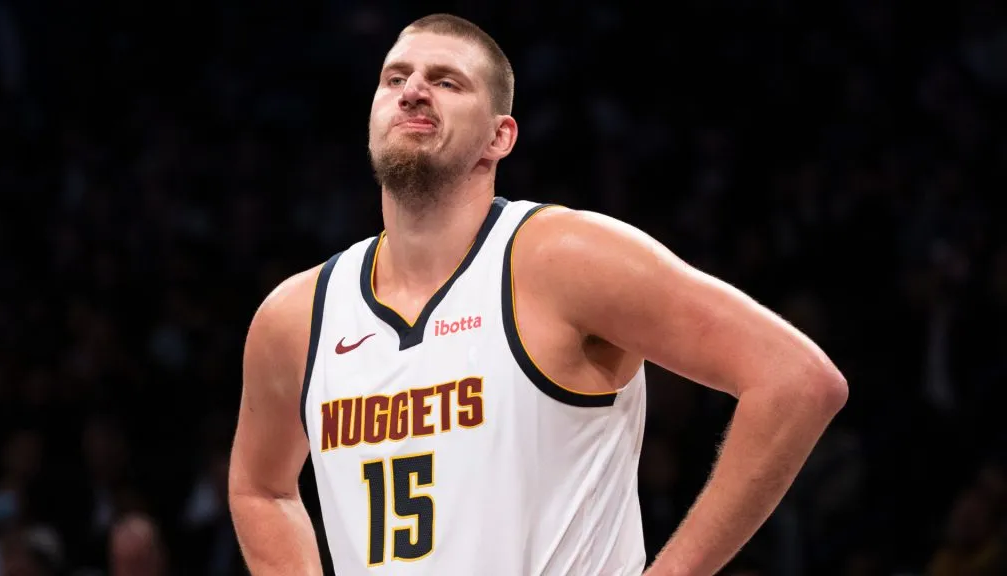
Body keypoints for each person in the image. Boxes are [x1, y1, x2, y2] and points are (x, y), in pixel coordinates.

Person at [227, 13, 848, 576]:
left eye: (447, 82)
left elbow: (796, 379)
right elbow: (261, 488)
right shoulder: (297, 315)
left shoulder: (563, 259)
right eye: (395, 78)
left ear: (500, 137)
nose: (413, 89)